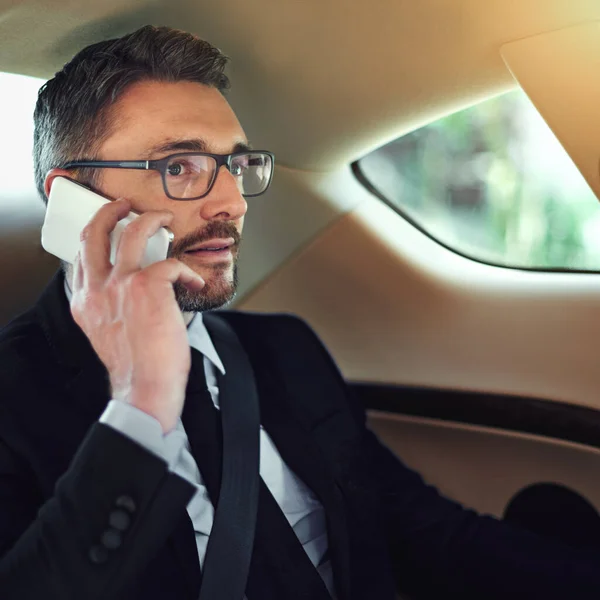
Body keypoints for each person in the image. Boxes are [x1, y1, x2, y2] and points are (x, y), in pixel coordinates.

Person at [0, 24, 599, 600]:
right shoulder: (13, 393)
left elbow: (428, 535)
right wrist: (142, 404)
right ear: (70, 200)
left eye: (235, 164)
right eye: (179, 166)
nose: (232, 201)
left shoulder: (282, 350)